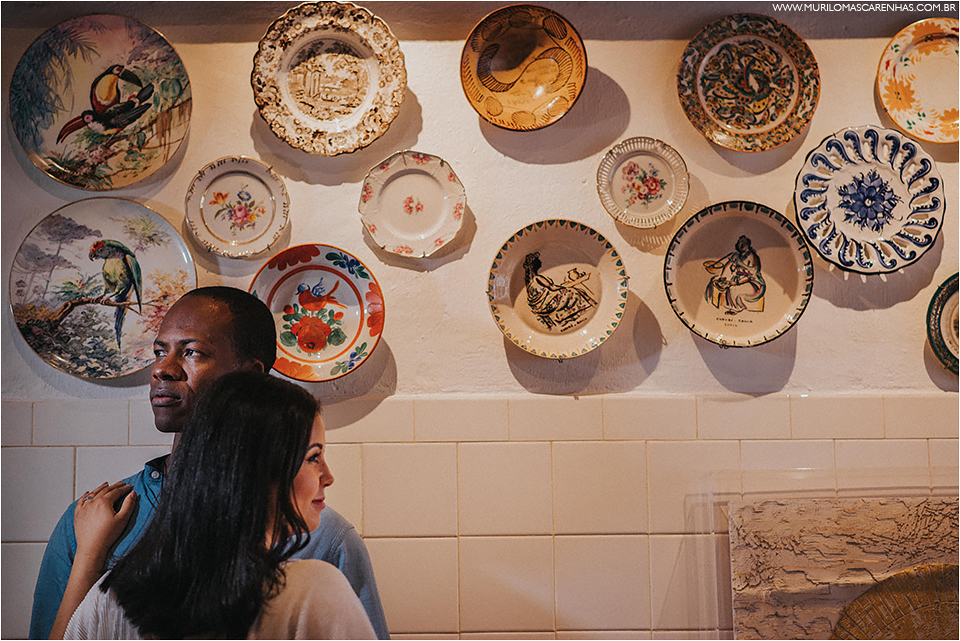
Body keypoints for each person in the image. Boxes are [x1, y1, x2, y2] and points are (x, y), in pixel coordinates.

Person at [30, 287, 389, 639]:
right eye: (159, 351)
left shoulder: (325, 536)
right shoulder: (97, 518)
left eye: (192, 353)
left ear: (249, 376)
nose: (162, 370)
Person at [56, 370, 376, 639]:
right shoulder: (315, 590)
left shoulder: (109, 597)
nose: (328, 476)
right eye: (313, 457)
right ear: (255, 470)